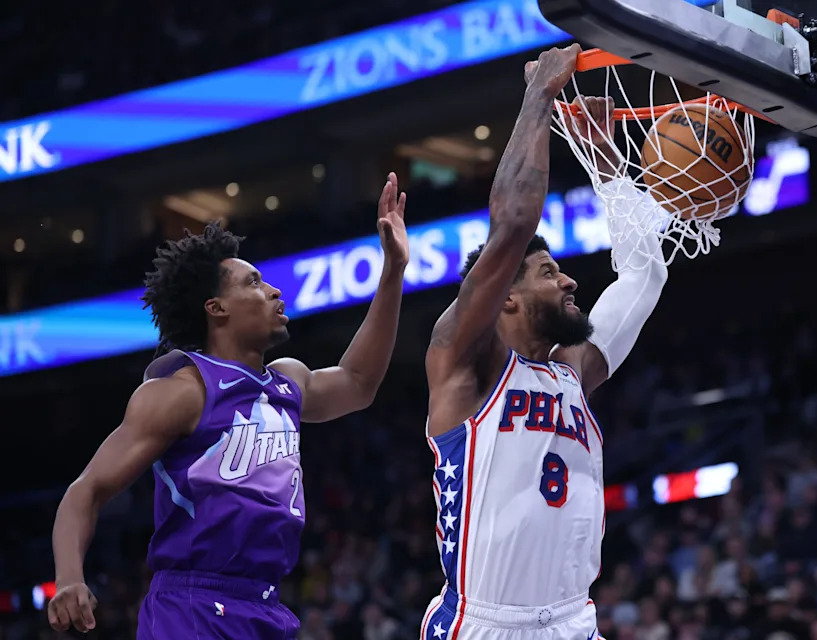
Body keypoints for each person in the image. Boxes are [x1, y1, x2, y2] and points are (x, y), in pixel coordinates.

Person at [47, 174, 410, 638]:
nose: (275, 292)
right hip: (191, 606)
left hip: (265, 605)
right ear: (216, 308)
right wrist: (69, 578)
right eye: (255, 283)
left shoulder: (288, 381)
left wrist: (394, 268)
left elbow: (359, 382)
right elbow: (87, 490)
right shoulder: (183, 391)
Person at [420, 44, 669, 639]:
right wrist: (540, 95)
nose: (569, 280)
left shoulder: (571, 372)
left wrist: (607, 166)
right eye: (549, 273)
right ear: (505, 293)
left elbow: (643, 274)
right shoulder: (465, 362)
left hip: (573, 623)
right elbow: (512, 224)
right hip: (485, 624)